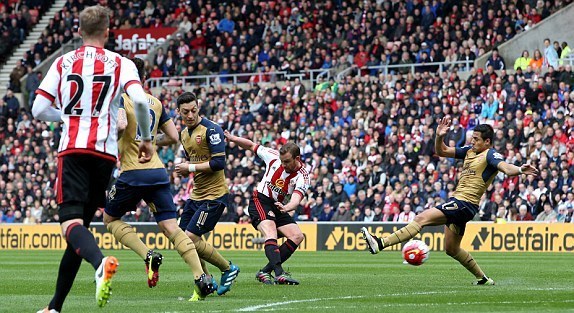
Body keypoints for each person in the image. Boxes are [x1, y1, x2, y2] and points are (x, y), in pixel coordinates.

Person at [32, 5, 154, 312]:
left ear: (78, 31)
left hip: (73, 150)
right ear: (108, 32)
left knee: (69, 225)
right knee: (80, 230)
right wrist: (147, 139)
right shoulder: (121, 62)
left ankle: (100, 264)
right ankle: (54, 307)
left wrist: (66, 116)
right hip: (104, 154)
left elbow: (37, 110)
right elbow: (139, 99)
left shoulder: (61, 63)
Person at [361, 119, 538, 285]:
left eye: (476, 139)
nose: (473, 142)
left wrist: (520, 170)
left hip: (464, 203)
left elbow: (506, 168)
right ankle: (483, 278)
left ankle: (381, 243)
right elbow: (441, 151)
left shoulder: (490, 155)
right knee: (452, 249)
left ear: (487, 142)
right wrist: (439, 135)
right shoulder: (469, 151)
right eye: (472, 138)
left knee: (421, 218)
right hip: (461, 203)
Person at [101, 58, 213, 299]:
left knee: (110, 219)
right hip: (157, 171)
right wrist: (150, 142)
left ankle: (147, 254)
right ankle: (200, 276)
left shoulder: (121, 99)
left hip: (132, 171)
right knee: (171, 227)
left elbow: (120, 125)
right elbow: (173, 136)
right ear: (144, 78)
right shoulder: (155, 102)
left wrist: (113, 140)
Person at [174, 92, 239, 300]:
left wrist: (189, 167)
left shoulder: (212, 130)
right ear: (179, 112)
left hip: (214, 196)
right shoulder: (184, 134)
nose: (190, 115)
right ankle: (206, 279)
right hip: (196, 195)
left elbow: (219, 163)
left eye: (193, 110)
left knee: (191, 238)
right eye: (185, 112)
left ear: (198, 107)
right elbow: (195, 162)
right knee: (182, 240)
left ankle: (228, 268)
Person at [224, 131, 310, 285]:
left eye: (287, 162)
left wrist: (286, 207)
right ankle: (279, 273)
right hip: (260, 200)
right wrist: (233, 139)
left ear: (297, 159)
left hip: (279, 206)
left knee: (297, 236)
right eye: (282, 161)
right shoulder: (273, 155)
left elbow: (296, 199)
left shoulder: (303, 176)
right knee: (270, 231)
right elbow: (251, 145)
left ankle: (265, 271)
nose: (283, 165)